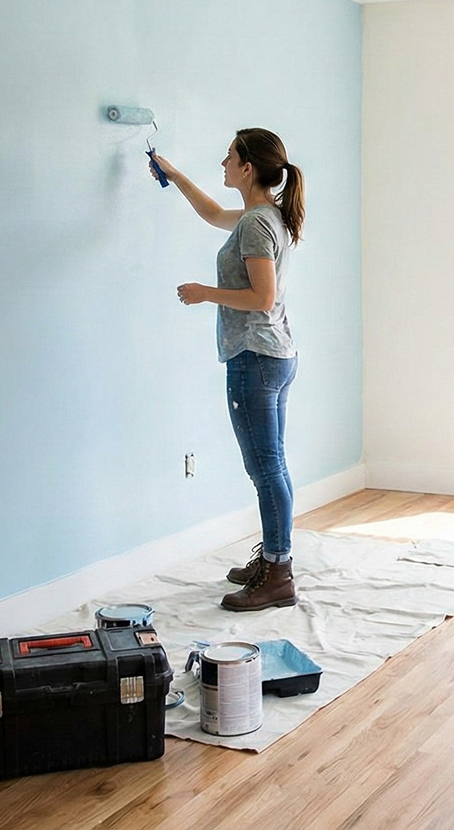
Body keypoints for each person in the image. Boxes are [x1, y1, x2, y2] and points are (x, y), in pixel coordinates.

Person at [149, 129, 305, 612]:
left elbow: (263, 298)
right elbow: (214, 214)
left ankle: (277, 573)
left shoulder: (259, 225)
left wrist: (204, 293)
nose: (223, 161)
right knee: (271, 465)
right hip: (273, 356)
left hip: (255, 358)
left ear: (248, 168)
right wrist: (174, 176)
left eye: (229, 156)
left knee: (266, 469)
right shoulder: (262, 216)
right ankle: (275, 560)